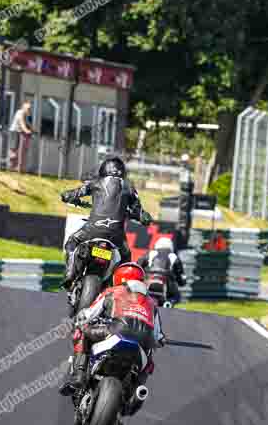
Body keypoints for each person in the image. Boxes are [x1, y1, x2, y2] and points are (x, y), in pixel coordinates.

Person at [59, 263, 165, 418]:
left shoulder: (112, 291)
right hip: (141, 346)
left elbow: (87, 315)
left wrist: (79, 321)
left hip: (115, 333)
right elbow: (159, 336)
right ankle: (137, 393)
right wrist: (160, 341)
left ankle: (78, 375)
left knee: (81, 330)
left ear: (119, 278)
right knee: (149, 362)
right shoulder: (152, 303)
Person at [60, 157, 153, 291]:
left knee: (72, 241)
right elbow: (140, 214)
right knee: (126, 257)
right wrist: (143, 218)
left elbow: (73, 194)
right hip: (116, 235)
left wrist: (66, 195)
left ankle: (70, 273)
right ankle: (120, 290)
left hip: (92, 229)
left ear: (103, 169)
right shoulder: (130, 188)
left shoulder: (95, 183)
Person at [137, 236, 187, 304]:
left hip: (149, 283)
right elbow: (180, 276)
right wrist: (181, 282)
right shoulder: (174, 256)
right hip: (166, 286)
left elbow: (138, 265)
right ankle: (169, 304)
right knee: (176, 297)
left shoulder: (150, 253)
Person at [9, 101, 33, 172]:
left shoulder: (26, 114)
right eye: (28, 108)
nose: (29, 110)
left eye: (30, 108)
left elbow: (27, 123)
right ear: (23, 107)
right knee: (14, 150)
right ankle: (11, 168)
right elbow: (21, 123)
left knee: (21, 151)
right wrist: (26, 131)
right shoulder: (20, 113)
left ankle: (18, 168)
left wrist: (33, 129)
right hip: (15, 132)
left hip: (20, 132)